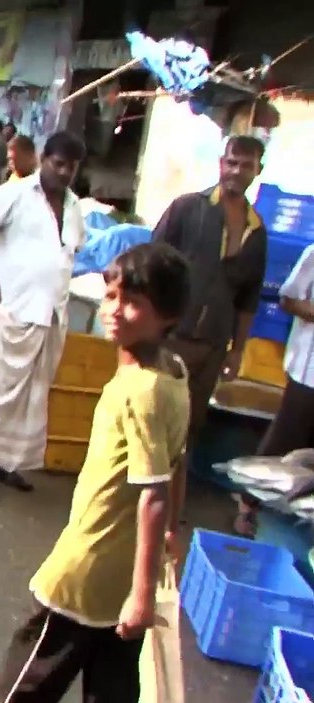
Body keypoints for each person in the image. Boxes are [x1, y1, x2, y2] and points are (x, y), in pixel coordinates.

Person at [0, 242, 191, 703]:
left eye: (131, 303)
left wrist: (144, 595)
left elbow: (153, 496)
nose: (113, 312)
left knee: (24, 696)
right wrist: (166, 542)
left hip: (87, 572)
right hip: (124, 576)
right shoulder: (175, 373)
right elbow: (179, 460)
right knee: (110, 702)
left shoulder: (141, 391)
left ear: (167, 315)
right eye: (109, 296)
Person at [0, 132, 88, 508]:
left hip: (50, 317)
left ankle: (0, 463)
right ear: (44, 159)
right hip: (13, 309)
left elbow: (68, 255)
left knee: (28, 399)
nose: (63, 172)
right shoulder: (17, 193)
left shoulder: (74, 206)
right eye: (57, 163)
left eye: (70, 167)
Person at [149, 136, 267, 533]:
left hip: (213, 344)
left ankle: (168, 506)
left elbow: (249, 298)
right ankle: (131, 495)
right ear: (221, 163)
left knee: (188, 426)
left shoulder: (256, 230)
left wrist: (237, 351)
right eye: (232, 162)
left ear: (257, 172)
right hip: (173, 334)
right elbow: (152, 260)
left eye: (246, 166)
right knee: (151, 415)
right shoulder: (188, 208)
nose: (237, 171)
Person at [235, 242, 314, 536]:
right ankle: (248, 505)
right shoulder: (313, 254)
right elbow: (288, 299)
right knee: (285, 438)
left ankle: (296, 520)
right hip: (308, 370)